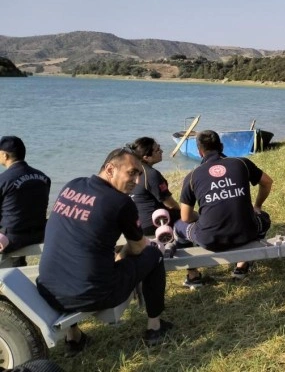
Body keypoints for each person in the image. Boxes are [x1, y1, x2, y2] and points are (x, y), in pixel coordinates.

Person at [37, 148, 171, 354]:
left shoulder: (72, 185)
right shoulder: (121, 202)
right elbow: (138, 248)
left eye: (138, 174)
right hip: (94, 294)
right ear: (110, 169)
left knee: (76, 258)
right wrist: (121, 255)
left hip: (49, 288)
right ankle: (155, 327)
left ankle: (74, 337)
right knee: (153, 254)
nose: (136, 181)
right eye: (131, 173)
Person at [174, 130, 273, 287]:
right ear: (221, 146)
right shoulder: (241, 163)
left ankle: (193, 275)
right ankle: (242, 264)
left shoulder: (192, 176)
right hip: (247, 232)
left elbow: (185, 217)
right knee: (264, 218)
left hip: (210, 239)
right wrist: (257, 206)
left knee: (179, 226)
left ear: (200, 152)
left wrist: (201, 218)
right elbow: (267, 182)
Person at [0, 136, 51, 266]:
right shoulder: (43, 177)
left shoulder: (3, 180)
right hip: (40, 233)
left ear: (5, 155)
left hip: (12, 238)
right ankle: (18, 265)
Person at [128, 137, 181, 236]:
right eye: (157, 150)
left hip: (136, 224)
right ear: (146, 157)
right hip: (153, 224)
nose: (161, 151)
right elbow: (171, 204)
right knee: (190, 217)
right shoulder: (152, 174)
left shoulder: (131, 170)